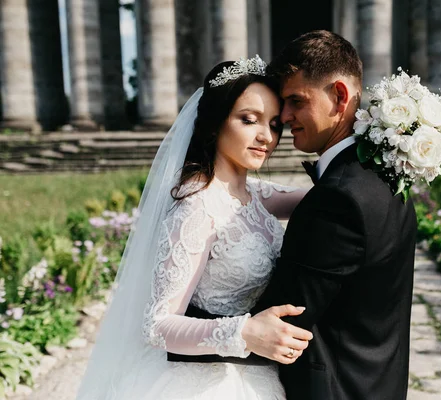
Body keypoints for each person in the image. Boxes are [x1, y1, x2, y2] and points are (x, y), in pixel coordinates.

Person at [76, 56, 313, 400]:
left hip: (254, 375)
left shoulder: (253, 195)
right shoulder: (197, 206)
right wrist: (244, 331)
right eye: (249, 120)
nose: (266, 136)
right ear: (217, 123)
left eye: (275, 125)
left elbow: (321, 197)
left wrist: (384, 150)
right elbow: (158, 326)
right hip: (205, 382)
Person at [248, 31, 417, 400]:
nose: (284, 116)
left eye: (295, 101)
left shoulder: (338, 199)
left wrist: (184, 327)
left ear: (339, 96)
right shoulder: (387, 173)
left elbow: (283, 318)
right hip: (376, 382)